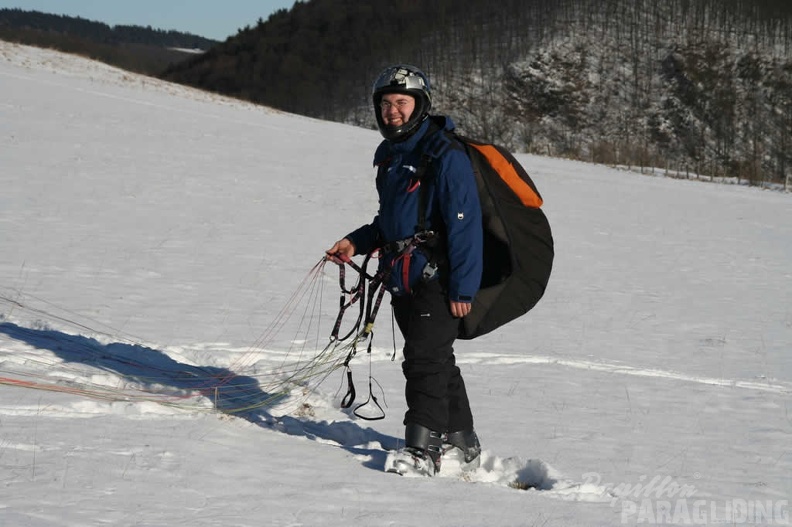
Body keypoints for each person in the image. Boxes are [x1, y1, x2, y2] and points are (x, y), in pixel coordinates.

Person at [326, 64, 483, 476]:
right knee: (436, 361)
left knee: (422, 361)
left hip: (440, 277)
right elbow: (388, 223)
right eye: (386, 103)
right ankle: (461, 440)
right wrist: (355, 243)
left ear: (420, 105)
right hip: (402, 278)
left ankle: (422, 450)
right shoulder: (392, 156)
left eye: (401, 102)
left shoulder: (446, 155)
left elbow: (466, 228)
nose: (392, 111)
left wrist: (463, 290)